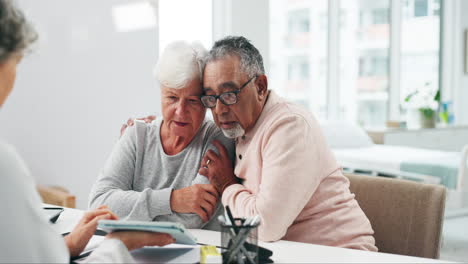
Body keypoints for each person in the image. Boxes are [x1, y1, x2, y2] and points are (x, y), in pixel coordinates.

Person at [0, 0, 174, 262]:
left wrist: (63, 247)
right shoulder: (4, 166)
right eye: (171, 97)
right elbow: (102, 199)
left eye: (195, 100)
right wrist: (117, 247)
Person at [197, 36, 377, 251]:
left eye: (229, 94)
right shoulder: (239, 124)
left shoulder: (290, 126)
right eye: (210, 98)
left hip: (341, 253)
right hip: (287, 252)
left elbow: (265, 226)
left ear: (260, 87)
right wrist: (158, 124)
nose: (219, 109)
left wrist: (226, 185)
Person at [88, 41, 235, 229]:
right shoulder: (137, 134)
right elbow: (98, 204)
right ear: (161, 93)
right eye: (172, 98)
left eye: (192, 101)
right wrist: (173, 199)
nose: (180, 112)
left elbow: (191, 219)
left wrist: (128, 212)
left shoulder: (217, 138)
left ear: (207, 102)